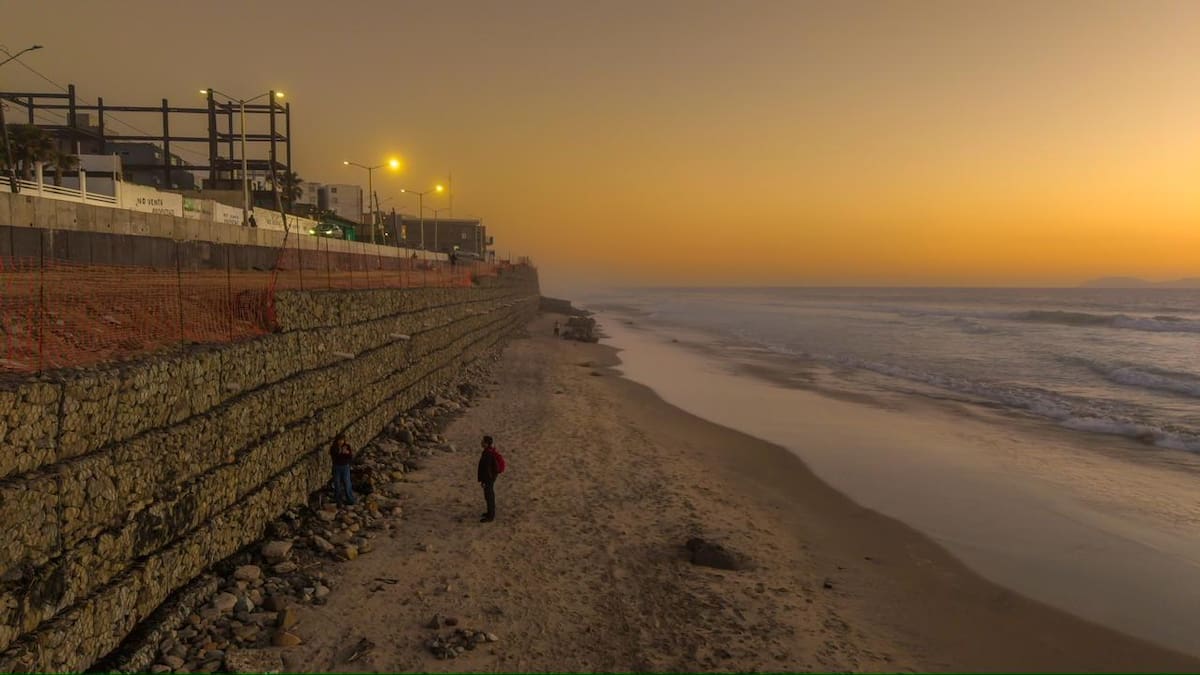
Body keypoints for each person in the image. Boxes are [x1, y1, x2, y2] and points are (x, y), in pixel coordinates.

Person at [477, 435, 501, 522]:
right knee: (489, 495)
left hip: (489, 478)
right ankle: (489, 513)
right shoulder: (488, 451)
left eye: (483, 441)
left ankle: (490, 516)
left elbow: (486, 469)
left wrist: (484, 481)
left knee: (489, 496)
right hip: (490, 478)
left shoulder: (487, 453)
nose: (481, 443)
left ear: (486, 443)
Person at [329, 434, 356, 506]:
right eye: (339, 440)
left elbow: (350, 457)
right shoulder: (334, 448)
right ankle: (337, 499)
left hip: (345, 467)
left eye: (342, 440)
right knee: (337, 483)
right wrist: (340, 452)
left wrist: (347, 453)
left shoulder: (347, 447)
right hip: (337, 467)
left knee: (347, 483)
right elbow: (334, 457)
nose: (341, 442)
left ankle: (350, 499)